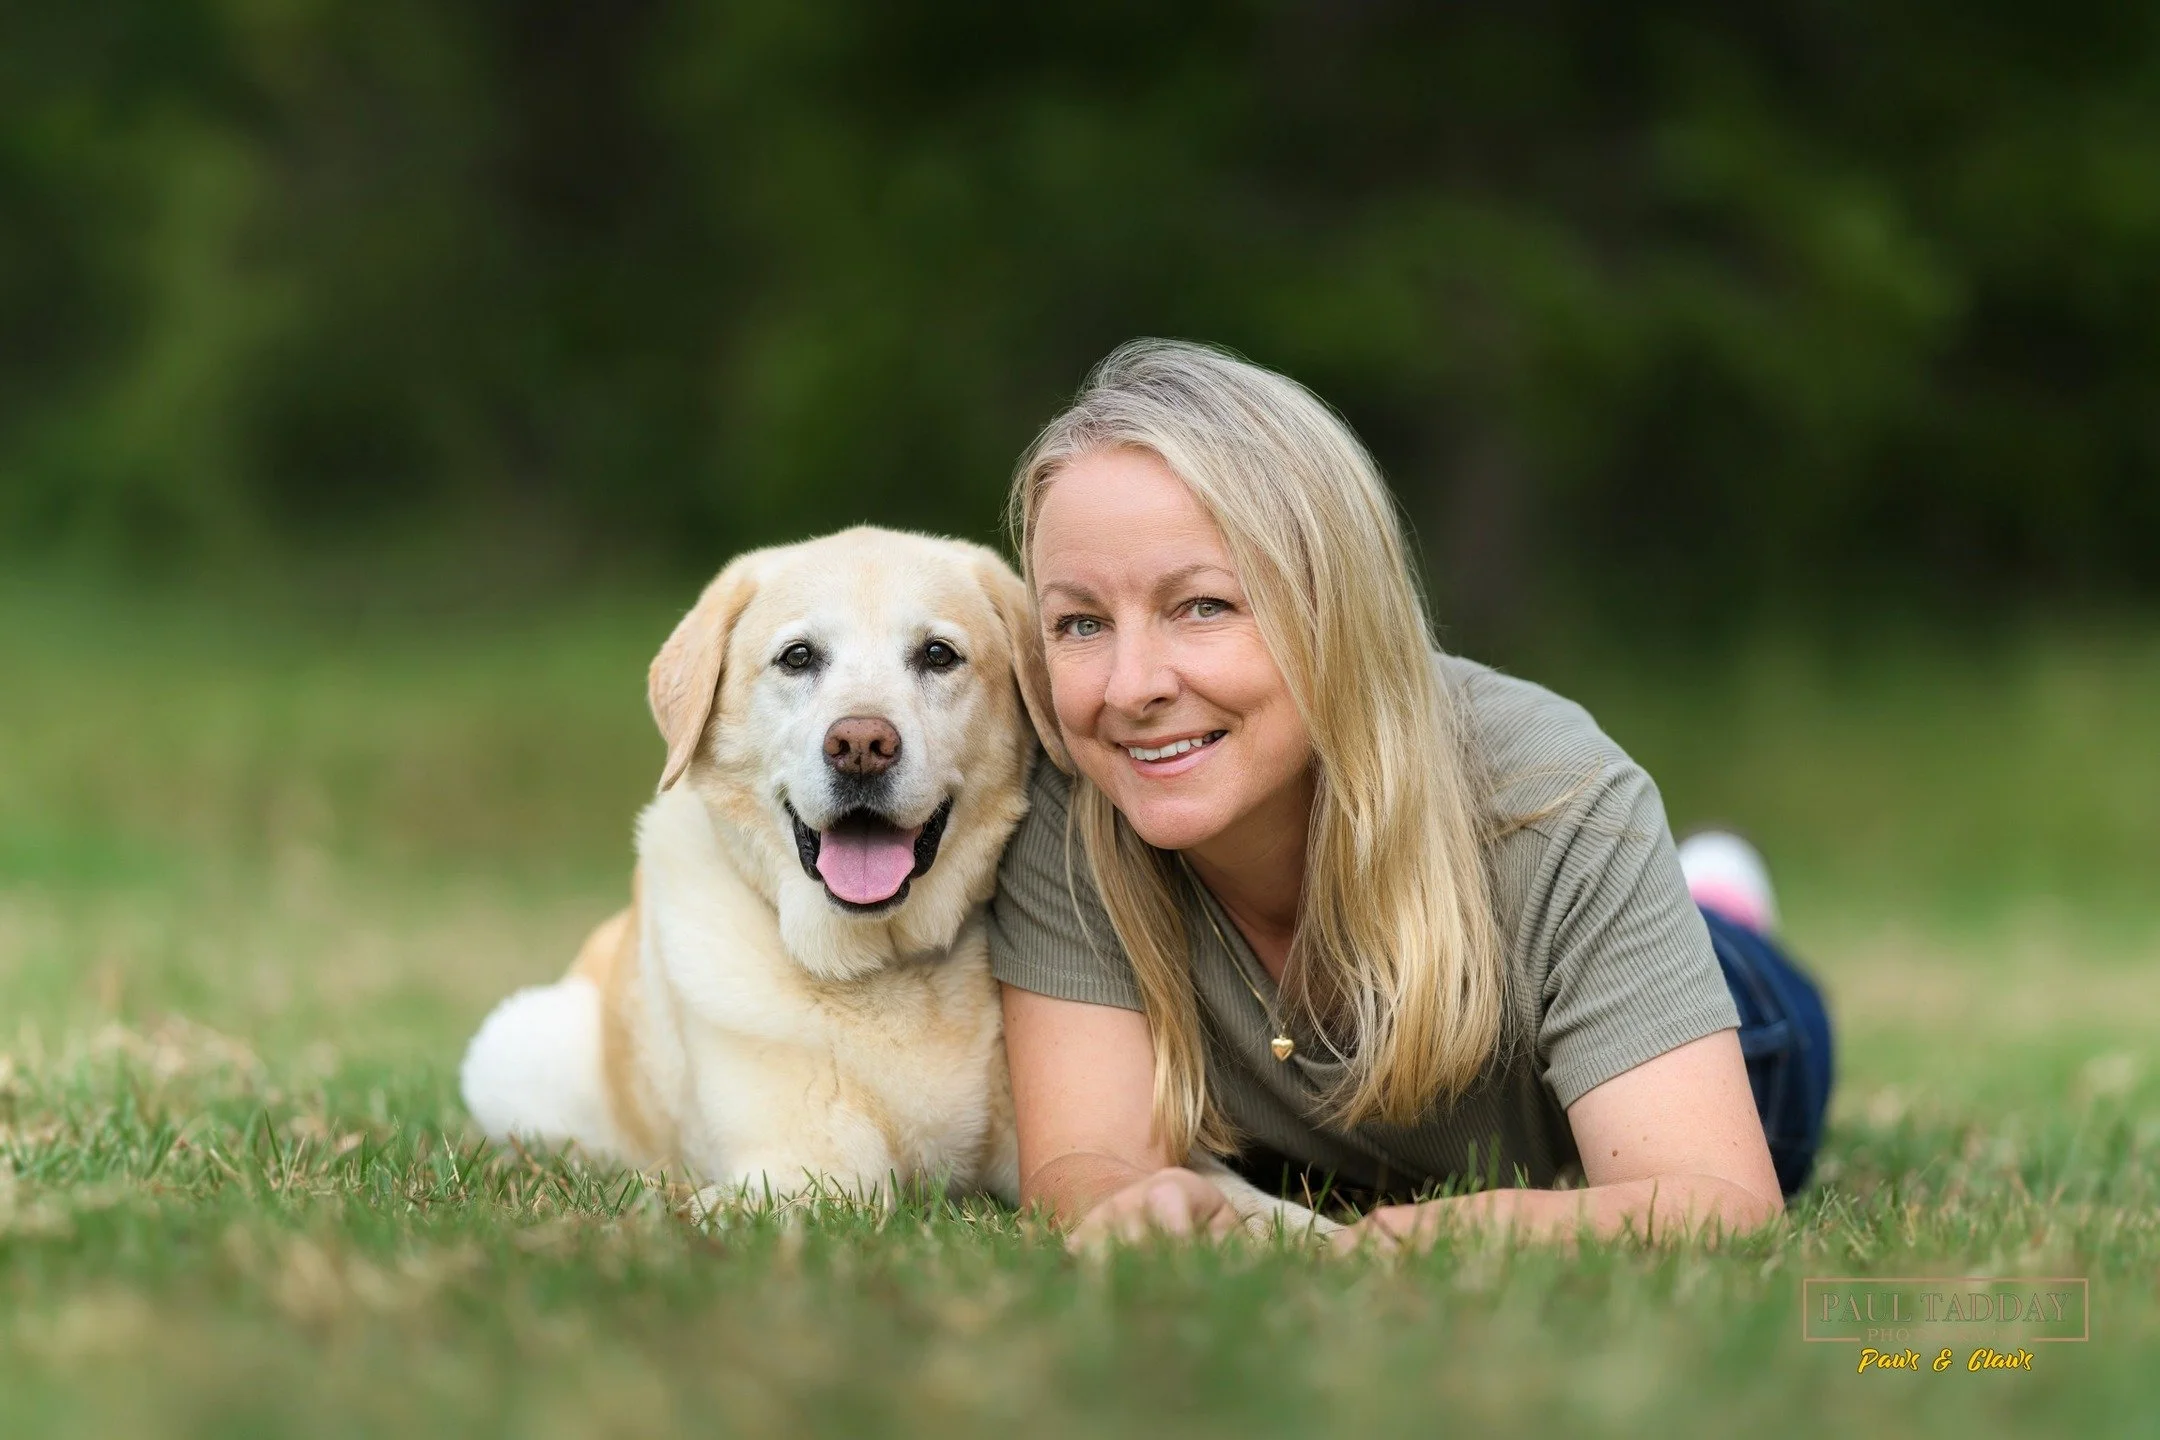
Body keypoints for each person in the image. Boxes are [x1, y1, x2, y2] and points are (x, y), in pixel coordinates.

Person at [988, 338, 1834, 1250]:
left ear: (1335, 606)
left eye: (1204, 606)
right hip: (1337, 1144)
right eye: (1080, 623)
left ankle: (1712, 907)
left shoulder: (1556, 796)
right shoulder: (1073, 809)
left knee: (1723, 963)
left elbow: (1717, 1200)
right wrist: (1134, 1208)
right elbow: (1084, 1164)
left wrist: (1427, 1237)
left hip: (1734, 1026)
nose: (1129, 687)